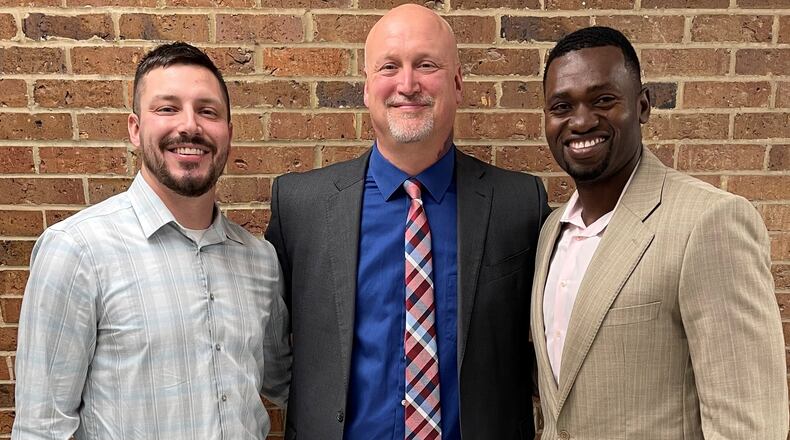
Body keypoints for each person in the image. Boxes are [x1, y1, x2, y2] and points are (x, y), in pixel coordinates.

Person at [265, 4, 549, 439]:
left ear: (457, 84)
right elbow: (270, 344)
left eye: (426, 65)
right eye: (389, 67)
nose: (407, 84)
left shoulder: (518, 204)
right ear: (366, 87)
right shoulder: (301, 207)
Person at [12, 42, 291, 439]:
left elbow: (286, 382)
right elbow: (42, 427)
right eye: (167, 108)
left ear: (228, 133)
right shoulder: (77, 251)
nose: (190, 125)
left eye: (207, 111)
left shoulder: (260, 259)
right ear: (135, 129)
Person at [532, 26, 788, 439]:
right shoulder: (550, 233)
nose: (580, 121)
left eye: (603, 100)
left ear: (643, 105)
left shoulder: (708, 223)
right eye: (562, 106)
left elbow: (748, 425)